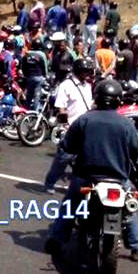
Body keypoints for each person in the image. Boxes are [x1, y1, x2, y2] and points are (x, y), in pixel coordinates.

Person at [46, 78, 138, 262]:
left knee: (70, 204)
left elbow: (68, 146)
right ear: (118, 100)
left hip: (86, 177)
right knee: (129, 209)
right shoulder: (126, 124)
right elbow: (136, 151)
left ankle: (56, 239)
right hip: (118, 178)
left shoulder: (85, 120)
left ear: (97, 98)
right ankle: (137, 247)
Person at [44, 58, 94, 194]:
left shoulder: (87, 86)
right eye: (85, 71)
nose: (87, 74)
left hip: (86, 127)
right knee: (63, 159)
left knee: (87, 159)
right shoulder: (66, 85)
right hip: (71, 128)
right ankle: (49, 183)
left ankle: (82, 186)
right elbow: (61, 108)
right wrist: (65, 126)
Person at [20, 39, 48, 111]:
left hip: (29, 77)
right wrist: (45, 76)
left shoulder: (26, 54)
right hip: (39, 77)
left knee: (29, 95)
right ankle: (35, 113)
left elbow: (23, 66)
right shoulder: (41, 54)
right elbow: (45, 66)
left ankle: (26, 110)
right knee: (37, 96)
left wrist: (26, 75)